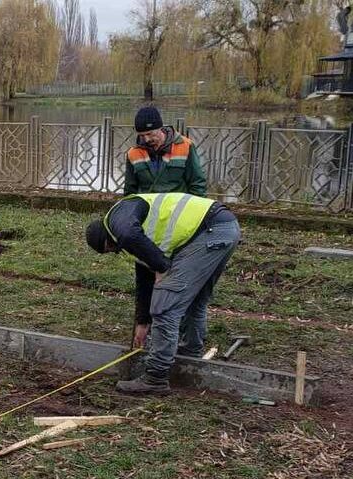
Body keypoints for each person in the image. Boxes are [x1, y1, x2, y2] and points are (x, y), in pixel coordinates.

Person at [85, 192, 241, 394]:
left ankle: (155, 377)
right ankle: (189, 359)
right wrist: (142, 323)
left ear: (106, 239)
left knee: (166, 305)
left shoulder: (118, 219)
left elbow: (131, 238)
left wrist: (162, 266)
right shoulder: (137, 233)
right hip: (223, 228)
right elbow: (144, 278)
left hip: (207, 232)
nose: (117, 251)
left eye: (111, 249)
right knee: (193, 301)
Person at [124, 106, 207, 197]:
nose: (147, 139)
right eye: (142, 136)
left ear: (160, 128)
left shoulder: (185, 146)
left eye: (149, 134)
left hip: (178, 207)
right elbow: (130, 191)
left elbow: (197, 183)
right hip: (148, 208)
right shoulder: (133, 153)